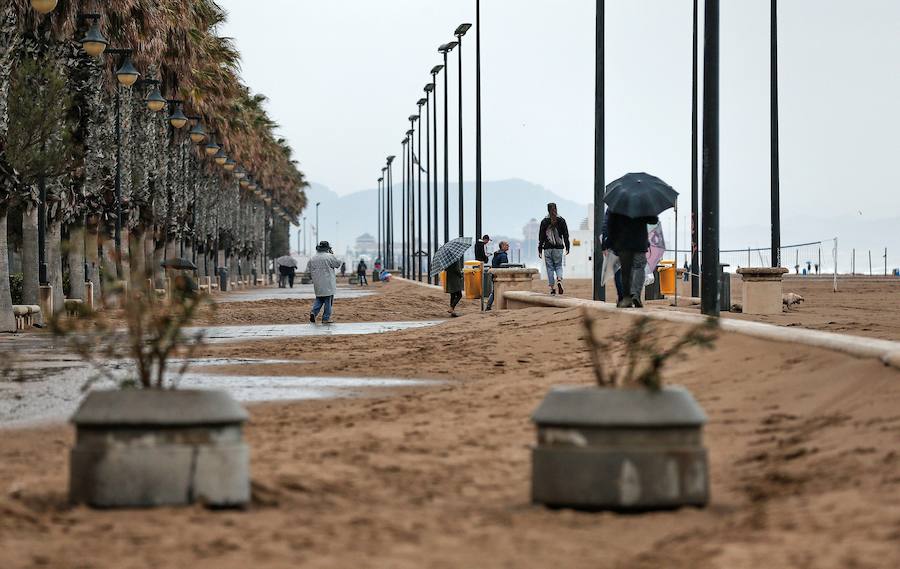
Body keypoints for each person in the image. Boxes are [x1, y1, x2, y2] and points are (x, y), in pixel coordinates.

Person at [607, 211, 659, 308]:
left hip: (623, 243)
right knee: (639, 268)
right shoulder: (642, 203)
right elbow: (653, 220)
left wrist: (610, 243)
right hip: (639, 242)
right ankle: (636, 294)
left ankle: (626, 298)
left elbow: (610, 225)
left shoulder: (617, 205)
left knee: (625, 271)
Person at [538, 203, 570, 295]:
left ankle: (552, 288)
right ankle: (559, 279)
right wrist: (567, 247)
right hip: (558, 248)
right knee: (559, 266)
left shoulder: (544, 221)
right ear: (556, 209)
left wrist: (540, 249)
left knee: (550, 268)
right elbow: (566, 235)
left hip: (547, 248)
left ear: (547, 210)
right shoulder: (562, 220)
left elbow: (541, 237)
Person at [308, 241, 343, 324]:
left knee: (319, 299)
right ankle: (325, 318)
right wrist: (332, 254)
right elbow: (337, 264)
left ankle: (314, 312)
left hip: (317, 282)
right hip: (328, 282)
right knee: (328, 300)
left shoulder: (313, 258)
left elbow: (309, 267)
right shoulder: (329, 256)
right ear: (327, 248)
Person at [600, 209, 625, 302]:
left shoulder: (611, 208)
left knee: (617, 272)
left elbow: (606, 226)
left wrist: (604, 245)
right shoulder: (630, 205)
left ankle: (621, 296)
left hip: (616, 244)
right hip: (629, 243)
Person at [485, 241, 510, 311]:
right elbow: (504, 267)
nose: (508, 246)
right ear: (502, 246)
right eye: (507, 245)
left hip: (495, 275)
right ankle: (494, 306)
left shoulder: (496, 254)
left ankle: (488, 305)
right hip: (500, 276)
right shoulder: (503, 255)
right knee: (496, 291)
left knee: (494, 291)